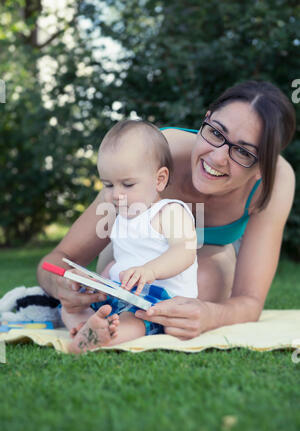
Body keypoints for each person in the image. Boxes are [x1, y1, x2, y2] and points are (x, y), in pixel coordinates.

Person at [37, 80, 296, 343]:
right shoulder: (149, 156)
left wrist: (211, 315)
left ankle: (118, 330)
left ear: (264, 165)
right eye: (216, 133)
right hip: (130, 260)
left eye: (242, 151)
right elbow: (59, 258)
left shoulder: (276, 183)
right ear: (206, 119)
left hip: (202, 266)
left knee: (206, 276)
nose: (217, 158)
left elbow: (250, 300)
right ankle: (100, 325)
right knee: (114, 277)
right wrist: (62, 288)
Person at [59, 120, 198, 353]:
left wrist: (150, 270)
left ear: (159, 179)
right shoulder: (120, 218)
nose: (116, 194)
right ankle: (85, 326)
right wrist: (94, 282)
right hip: (123, 294)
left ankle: (103, 337)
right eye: (108, 185)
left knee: (133, 320)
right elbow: (120, 261)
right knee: (69, 307)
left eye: (128, 184)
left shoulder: (170, 211)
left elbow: (184, 251)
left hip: (160, 301)